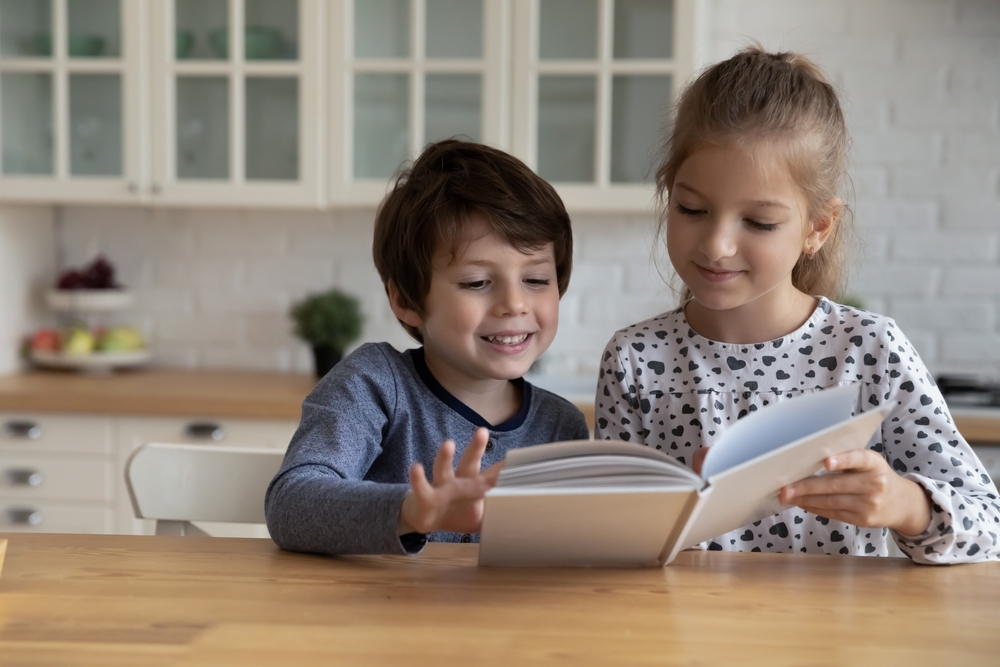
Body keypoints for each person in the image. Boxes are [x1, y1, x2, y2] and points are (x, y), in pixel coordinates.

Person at [594, 48, 1000, 563]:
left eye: (759, 223)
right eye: (691, 208)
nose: (716, 244)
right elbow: (610, 547)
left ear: (817, 228)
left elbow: (988, 523)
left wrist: (905, 504)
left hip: (835, 640)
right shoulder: (635, 358)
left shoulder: (869, 349)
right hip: (684, 639)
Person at [266, 139, 590, 555]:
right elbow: (291, 503)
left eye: (537, 279)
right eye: (477, 283)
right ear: (406, 301)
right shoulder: (374, 385)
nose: (515, 304)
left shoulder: (561, 427)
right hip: (376, 617)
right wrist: (411, 512)